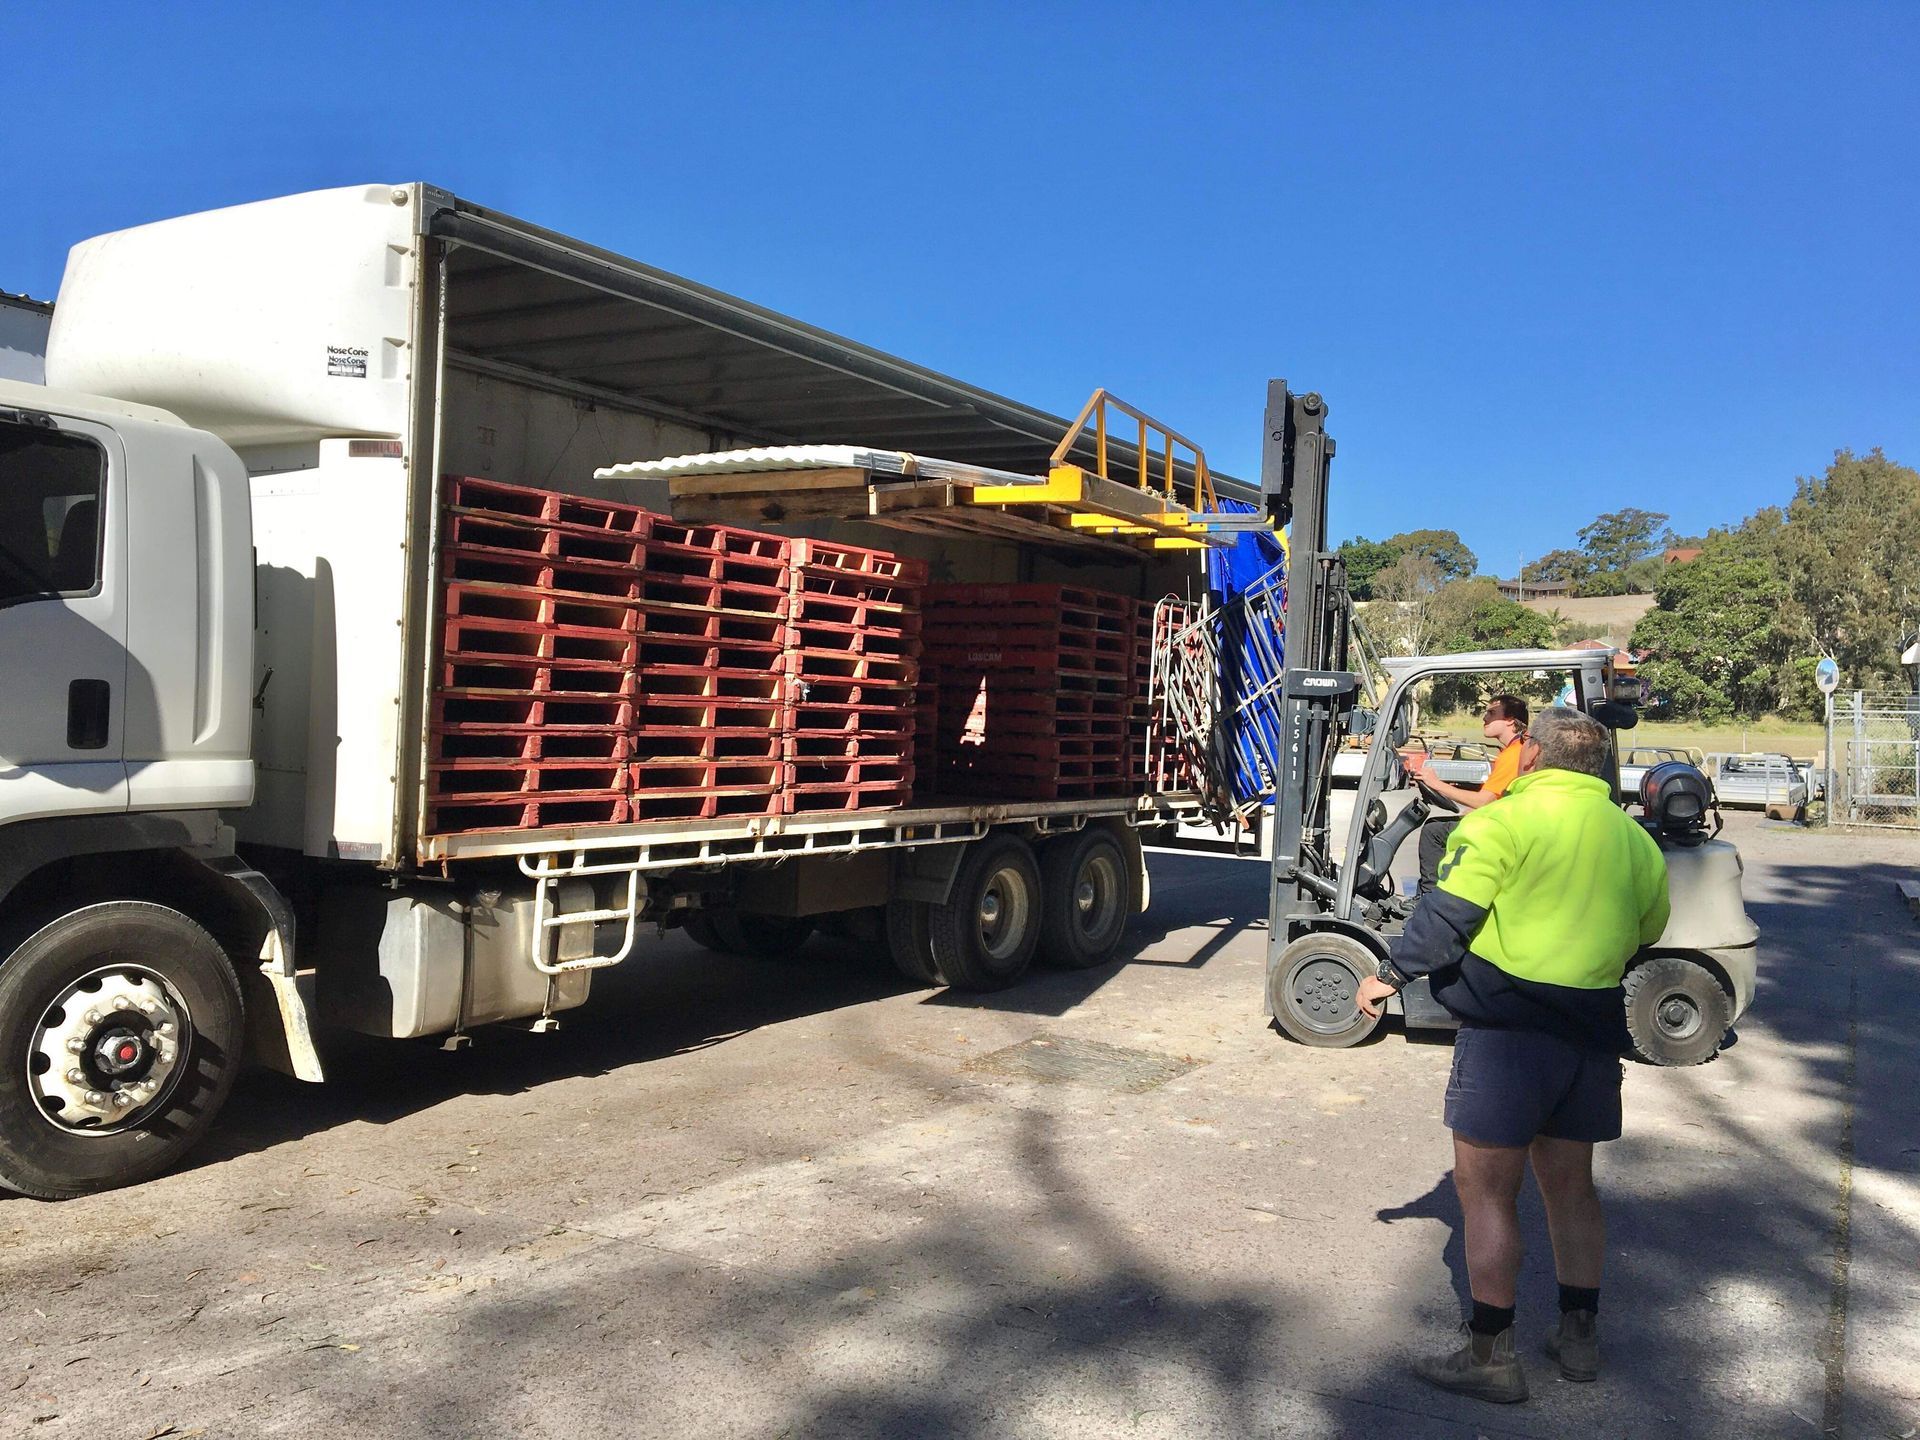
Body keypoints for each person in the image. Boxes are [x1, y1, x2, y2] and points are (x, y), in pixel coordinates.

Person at [1355, 707, 1670, 1405]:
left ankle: (1492, 1355)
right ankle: (1579, 1338)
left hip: (1506, 1035)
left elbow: (1445, 919)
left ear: (1531, 757)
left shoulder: (1500, 823)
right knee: (1572, 1191)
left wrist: (1386, 977)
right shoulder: (1633, 839)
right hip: (1588, 1033)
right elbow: (1649, 927)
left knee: (1489, 1196)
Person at [1406, 696, 1528, 894]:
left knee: (1433, 830)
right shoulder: (1513, 750)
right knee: (1450, 823)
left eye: (1491, 713)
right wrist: (1468, 809)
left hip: (1505, 828)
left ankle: (1429, 898)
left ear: (1510, 720)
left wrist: (1437, 784)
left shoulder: (1514, 754)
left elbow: (1484, 801)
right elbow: (1494, 797)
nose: (1484, 718)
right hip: (1504, 821)